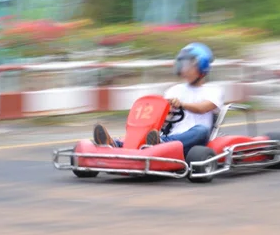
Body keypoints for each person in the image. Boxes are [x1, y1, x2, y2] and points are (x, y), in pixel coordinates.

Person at [93, 42, 224, 157]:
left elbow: (203, 108)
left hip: (195, 141)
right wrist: (166, 112)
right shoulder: (175, 89)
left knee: (201, 130)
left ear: (202, 66)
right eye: (183, 64)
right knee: (149, 130)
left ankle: (159, 144)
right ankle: (116, 143)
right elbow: (164, 115)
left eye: (189, 65)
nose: (184, 69)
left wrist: (182, 104)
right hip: (171, 137)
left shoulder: (213, 90)